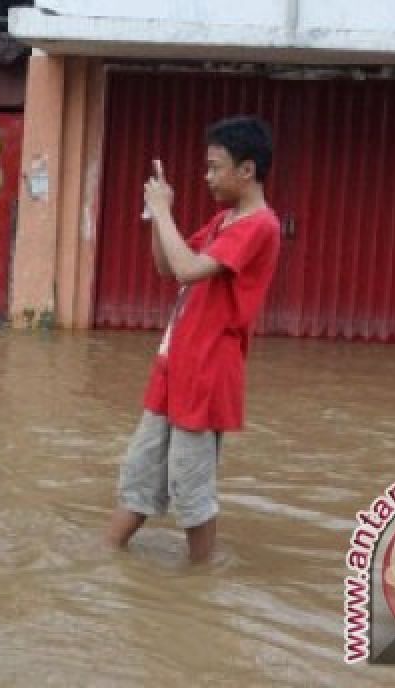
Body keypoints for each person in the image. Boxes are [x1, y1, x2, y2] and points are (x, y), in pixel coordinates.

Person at [105, 116, 281, 563]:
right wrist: (155, 214)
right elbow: (169, 266)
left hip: (206, 369)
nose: (207, 177)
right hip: (175, 363)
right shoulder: (225, 220)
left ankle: (202, 578)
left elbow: (188, 270)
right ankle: (105, 557)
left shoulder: (259, 225)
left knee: (190, 485)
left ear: (247, 170)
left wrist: (164, 211)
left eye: (214, 167)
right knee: (139, 473)